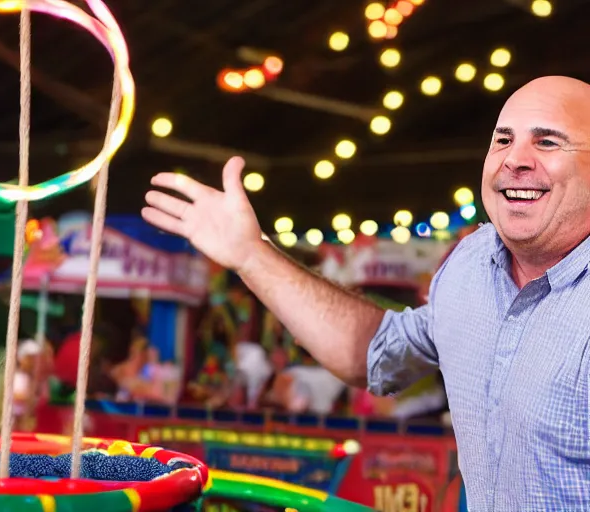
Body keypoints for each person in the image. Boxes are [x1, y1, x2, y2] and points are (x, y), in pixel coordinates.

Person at [141, 75, 590, 511]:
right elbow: (377, 351)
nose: (514, 160)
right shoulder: (471, 265)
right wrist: (250, 255)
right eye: (502, 140)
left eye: (547, 142)